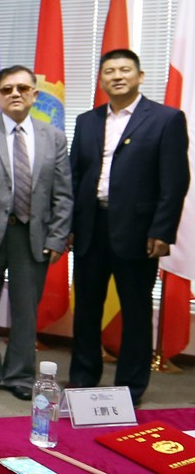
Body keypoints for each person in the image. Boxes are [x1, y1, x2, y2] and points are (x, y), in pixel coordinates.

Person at [69, 49, 189, 405]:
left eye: (124, 70)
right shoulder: (87, 121)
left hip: (138, 231)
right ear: (101, 79)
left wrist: (162, 231)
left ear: (140, 76)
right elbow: (75, 176)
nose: (117, 76)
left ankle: (129, 388)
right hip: (91, 227)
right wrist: (70, 225)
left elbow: (174, 181)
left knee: (136, 312)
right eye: (109, 71)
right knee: (86, 309)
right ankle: (83, 378)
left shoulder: (166, 119)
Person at [0, 65, 72, 401]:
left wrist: (57, 236)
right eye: (7, 89)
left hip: (32, 236)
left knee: (26, 310)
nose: (15, 94)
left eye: (22, 88)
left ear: (35, 94)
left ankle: (20, 375)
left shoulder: (54, 137)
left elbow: (63, 193)